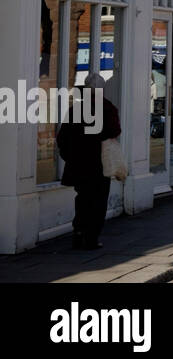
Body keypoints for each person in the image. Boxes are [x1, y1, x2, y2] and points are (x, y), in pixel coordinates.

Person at [56, 75, 121, 250]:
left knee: (82, 198)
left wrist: (70, 157)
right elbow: (115, 131)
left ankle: (78, 232)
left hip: (78, 164)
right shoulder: (107, 108)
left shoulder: (75, 109)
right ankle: (91, 238)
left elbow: (62, 139)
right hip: (100, 163)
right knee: (98, 201)